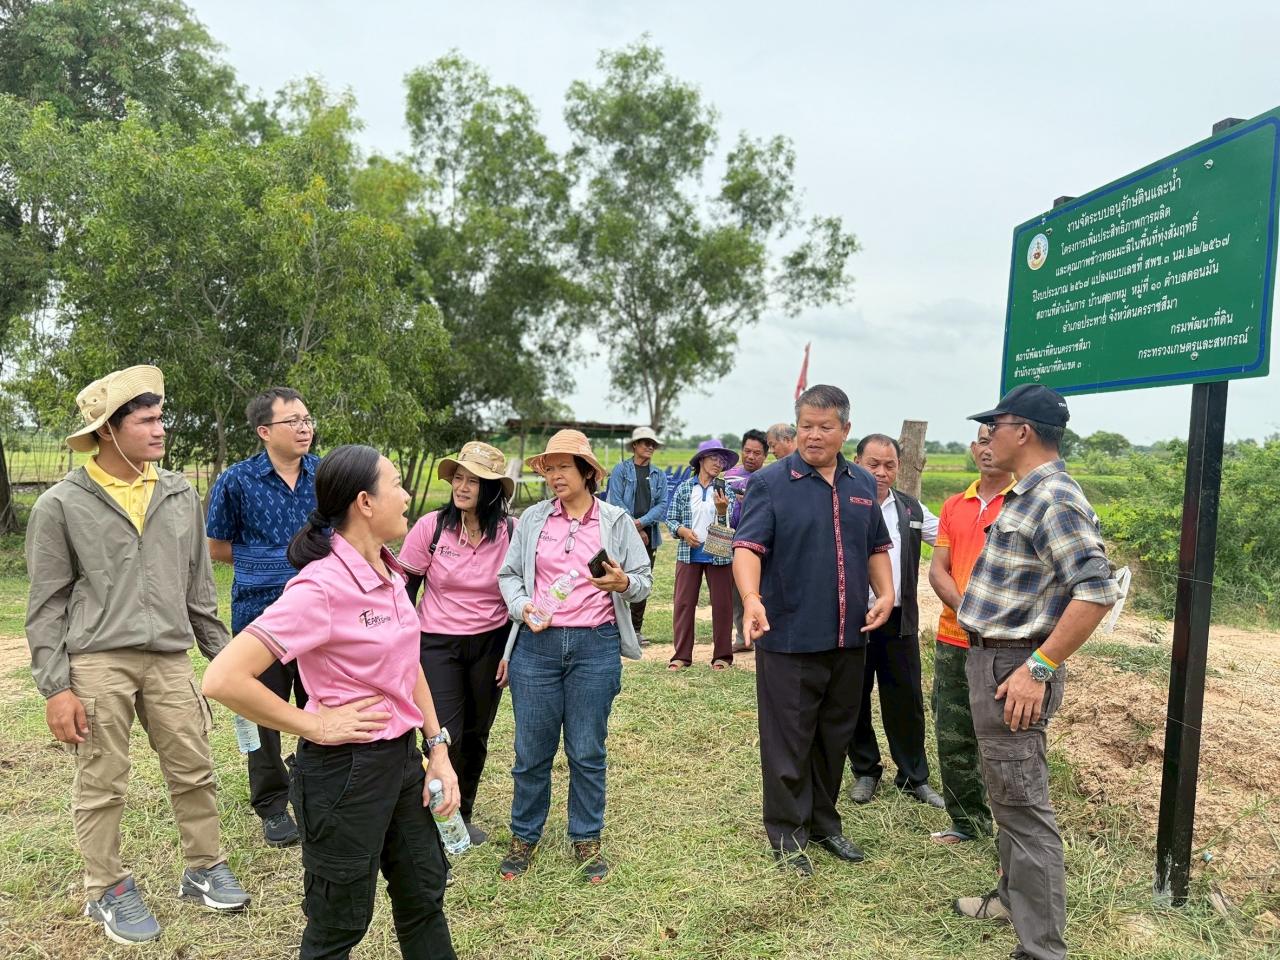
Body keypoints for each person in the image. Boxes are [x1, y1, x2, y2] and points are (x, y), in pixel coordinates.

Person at [202, 445, 458, 960]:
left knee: (424, 896)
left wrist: (438, 749)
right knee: (339, 923)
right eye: (397, 484)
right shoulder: (319, 587)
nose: (408, 496)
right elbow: (223, 677)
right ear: (365, 502)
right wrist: (314, 726)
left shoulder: (391, 573)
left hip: (403, 763)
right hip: (345, 775)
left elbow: (407, 667)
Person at [25, 365, 249, 946]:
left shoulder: (178, 493)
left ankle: (204, 867)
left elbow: (200, 589)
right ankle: (106, 887)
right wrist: (56, 687)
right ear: (108, 431)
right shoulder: (61, 504)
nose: (160, 430)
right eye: (146, 420)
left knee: (194, 768)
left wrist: (225, 658)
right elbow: (46, 604)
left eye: (160, 418)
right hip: (98, 659)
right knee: (103, 781)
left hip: (171, 656)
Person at [952, 385, 1119, 960]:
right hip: (991, 658)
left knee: (1023, 809)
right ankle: (1009, 898)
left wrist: (1039, 668)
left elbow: (1095, 592)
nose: (986, 437)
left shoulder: (1054, 498)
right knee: (1007, 797)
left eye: (993, 425)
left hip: (1013, 666)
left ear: (1021, 430)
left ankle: (1042, 949)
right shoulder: (1026, 495)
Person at [733, 385, 894, 875]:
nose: (814, 435)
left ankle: (825, 823)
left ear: (846, 430)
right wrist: (751, 598)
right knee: (788, 739)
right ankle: (788, 834)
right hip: (789, 636)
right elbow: (747, 548)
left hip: (849, 635)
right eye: (806, 425)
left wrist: (885, 594)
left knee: (834, 735)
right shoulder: (772, 483)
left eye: (825, 427)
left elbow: (876, 549)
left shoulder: (862, 484)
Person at [495, 430, 653, 883]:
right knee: (530, 751)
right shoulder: (531, 520)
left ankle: (586, 836)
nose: (554, 476)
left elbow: (643, 580)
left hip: (595, 646)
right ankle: (524, 835)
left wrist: (622, 583)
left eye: (563, 467)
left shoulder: (616, 521)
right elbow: (509, 576)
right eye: (549, 468)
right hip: (537, 648)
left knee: (586, 749)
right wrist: (523, 606)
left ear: (587, 471)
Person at [206, 386, 318, 847]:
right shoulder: (236, 480)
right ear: (264, 431)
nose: (304, 427)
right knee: (262, 711)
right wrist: (273, 562)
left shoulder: (325, 474)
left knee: (321, 702)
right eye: (292, 420)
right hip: (260, 616)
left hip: (317, 615)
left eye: (308, 418)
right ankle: (272, 805)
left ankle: (317, 786)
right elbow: (216, 545)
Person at [399, 441, 517, 846]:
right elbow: (405, 588)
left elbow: (521, 592)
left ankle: (460, 813)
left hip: (491, 642)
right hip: (437, 644)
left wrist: (510, 651)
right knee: (444, 732)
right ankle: (434, 811)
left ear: (493, 490)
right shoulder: (431, 528)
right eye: (459, 478)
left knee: (477, 732)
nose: (462, 487)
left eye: (475, 481)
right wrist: (401, 643)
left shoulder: (510, 532)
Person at [927, 424, 1014, 844]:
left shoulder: (1022, 503)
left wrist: (984, 618)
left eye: (993, 438)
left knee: (1002, 737)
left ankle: (1012, 829)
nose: (986, 447)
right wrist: (967, 610)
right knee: (952, 730)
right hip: (953, 637)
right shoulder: (953, 505)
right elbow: (937, 569)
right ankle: (967, 821)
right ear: (972, 448)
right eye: (980, 439)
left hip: (1003, 644)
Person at [846, 434, 944, 809]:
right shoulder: (843, 505)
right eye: (873, 464)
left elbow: (950, 539)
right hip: (853, 618)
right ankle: (866, 771)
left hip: (899, 621)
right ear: (856, 462)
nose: (881, 472)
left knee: (905, 699)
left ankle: (913, 776)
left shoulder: (911, 511)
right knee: (853, 698)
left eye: (889, 465)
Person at [666, 439, 739, 670]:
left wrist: (721, 511)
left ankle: (722, 657)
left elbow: (728, 524)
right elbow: (670, 518)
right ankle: (681, 656)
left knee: (722, 605)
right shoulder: (686, 488)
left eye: (722, 460)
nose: (719, 463)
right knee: (684, 604)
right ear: (701, 460)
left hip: (718, 554)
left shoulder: (724, 489)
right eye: (714, 458)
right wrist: (682, 531)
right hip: (689, 554)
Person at [605, 426, 669, 644]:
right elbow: (615, 502)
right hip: (622, 535)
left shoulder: (659, 475)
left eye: (652, 444)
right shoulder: (620, 471)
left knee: (642, 581)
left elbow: (662, 505)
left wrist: (641, 523)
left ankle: (635, 630)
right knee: (616, 578)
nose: (650, 447)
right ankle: (614, 627)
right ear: (635, 446)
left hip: (648, 535)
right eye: (645, 442)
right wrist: (634, 528)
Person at [723, 429, 768, 652]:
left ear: (765, 456)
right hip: (731, 541)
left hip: (759, 545)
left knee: (760, 592)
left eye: (757, 453)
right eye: (747, 451)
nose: (751, 456)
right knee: (735, 593)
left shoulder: (769, 480)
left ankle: (764, 638)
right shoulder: (728, 476)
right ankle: (742, 638)